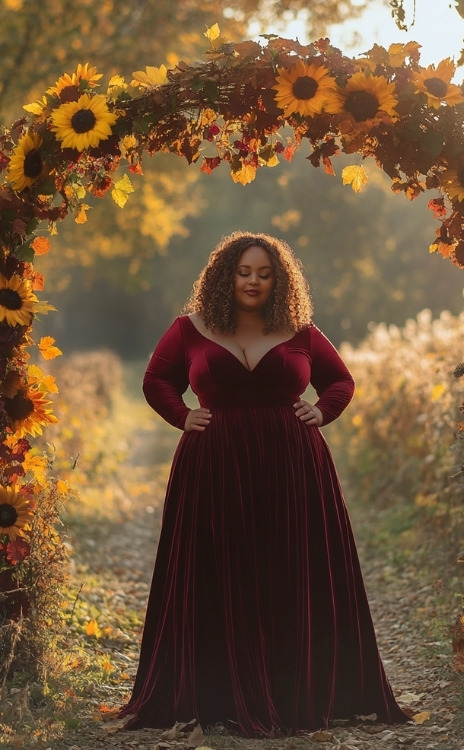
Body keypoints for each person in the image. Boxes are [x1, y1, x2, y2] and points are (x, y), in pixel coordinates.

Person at [119, 231, 408, 736]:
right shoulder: (189, 328)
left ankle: (295, 688)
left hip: (293, 468)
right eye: (244, 271)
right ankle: (221, 693)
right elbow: (156, 380)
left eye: (265, 273)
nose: (253, 281)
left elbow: (341, 381)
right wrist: (180, 416)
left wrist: (323, 410)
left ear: (279, 280)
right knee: (221, 570)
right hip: (214, 468)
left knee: (288, 570)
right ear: (226, 275)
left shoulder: (301, 331)